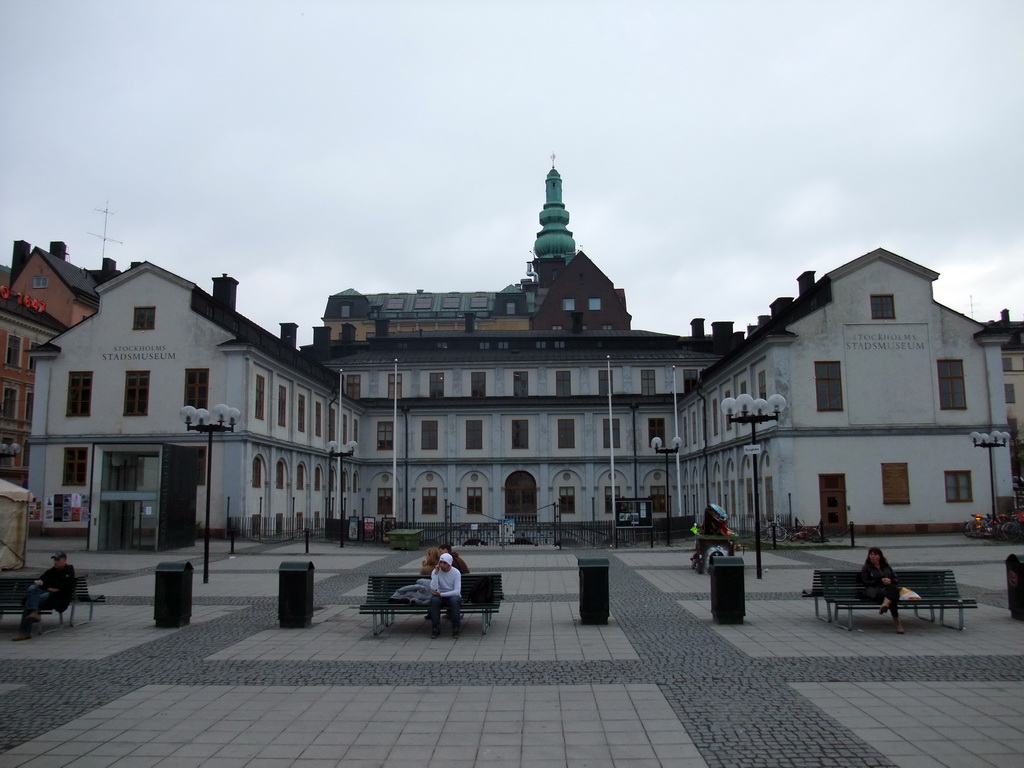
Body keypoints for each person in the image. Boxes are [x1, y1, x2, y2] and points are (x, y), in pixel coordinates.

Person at [11, 551, 76, 642]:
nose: (55, 562)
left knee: (30, 601)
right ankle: (33, 612)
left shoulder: (69, 571)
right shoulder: (51, 571)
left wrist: (46, 585)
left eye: (58, 560)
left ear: (64, 560)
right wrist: (49, 586)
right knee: (32, 588)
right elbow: (39, 582)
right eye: (54, 560)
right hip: (48, 595)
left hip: (59, 599)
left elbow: (62, 585)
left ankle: (25, 631)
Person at [861, 546, 903, 634]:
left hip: (887, 590)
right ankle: (897, 623)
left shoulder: (886, 567)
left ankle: (885, 604)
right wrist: (880, 581)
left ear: (880, 556)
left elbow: (896, 580)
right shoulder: (866, 568)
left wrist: (890, 581)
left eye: (875, 554)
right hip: (875, 591)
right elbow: (865, 582)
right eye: (871, 554)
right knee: (893, 597)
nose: (873, 556)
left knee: (892, 590)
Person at [429, 552, 462, 639]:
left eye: (444, 563)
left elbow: (457, 591)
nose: (442, 565)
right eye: (440, 562)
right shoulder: (435, 571)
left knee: (454, 600)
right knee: (434, 600)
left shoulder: (456, 573)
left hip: (451, 595)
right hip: (439, 595)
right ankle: (436, 628)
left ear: (449, 564)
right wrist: (436, 574)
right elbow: (433, 588)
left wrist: (442, 594)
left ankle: (456, 628)